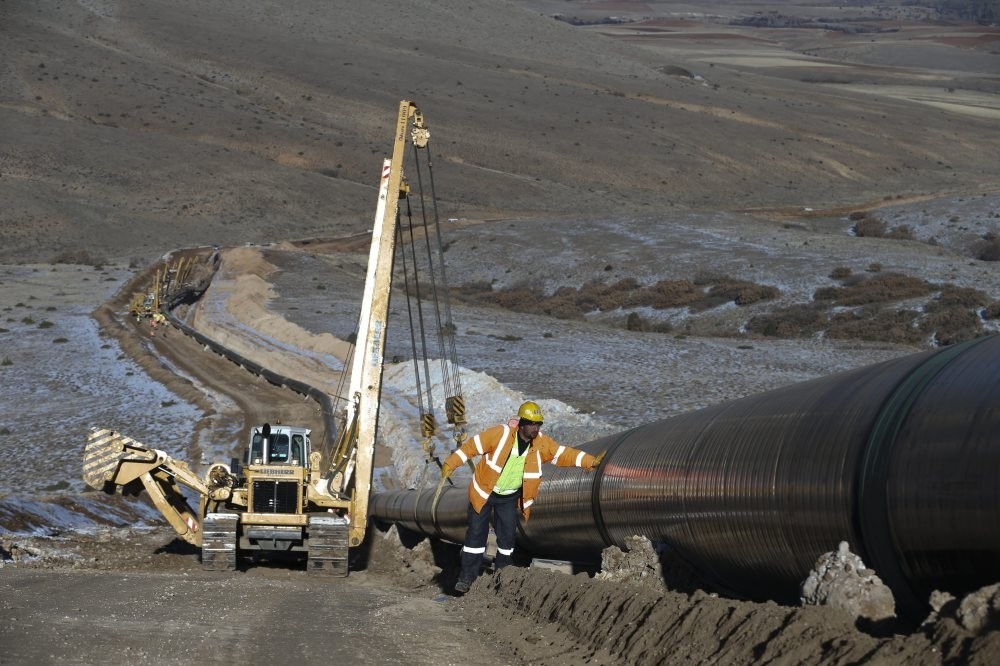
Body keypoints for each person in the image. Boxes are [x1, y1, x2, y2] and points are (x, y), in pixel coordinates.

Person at [441, 400, 606, 594]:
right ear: (521, 423)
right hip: (484, 492)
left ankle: (503, 576)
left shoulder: (541, 444)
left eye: (538, 424)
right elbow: (472, 447)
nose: (535, 428)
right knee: (476, 535)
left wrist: (590, 461)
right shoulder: (500, 434)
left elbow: (563, 454)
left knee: (507, 538)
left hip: (509, 497)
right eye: (531, 424)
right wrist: (450, 464)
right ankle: (467, 577)